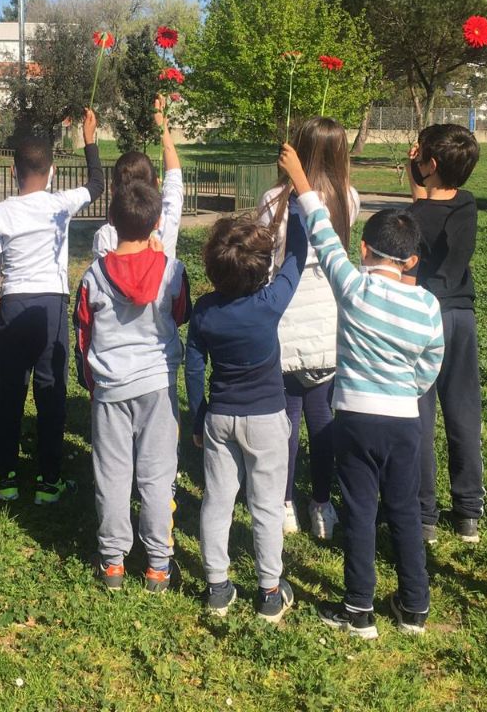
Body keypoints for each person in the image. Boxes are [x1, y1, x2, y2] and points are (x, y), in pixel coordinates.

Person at [279, 142, 445, 639]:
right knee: (405, 511)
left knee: (360, 511)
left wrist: (301, 180)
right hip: (405, 421)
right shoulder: (428, 306)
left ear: (365, 251)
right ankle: (414, 607)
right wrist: (405, 390)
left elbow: (323, 232)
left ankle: (359, 610)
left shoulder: (353, 288)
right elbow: (430, 364)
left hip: (354, 419)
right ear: (411, 259)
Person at [185, 206, 307, 622]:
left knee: (217, 502)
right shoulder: (269, 303)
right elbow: (298, 258)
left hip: (220, 418)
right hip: (267, 420)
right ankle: (270, 591)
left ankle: (217, 587)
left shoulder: (204, 311)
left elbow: (194, 366)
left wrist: (198, 415)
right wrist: (300, 205)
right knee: (267, 507)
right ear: (261, 270)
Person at [0, 109, 105, 505]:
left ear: (13, 171)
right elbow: (97, 184)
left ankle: (6, 477)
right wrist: (89, 140)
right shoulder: (60, 204)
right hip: (50, 307)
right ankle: (49, 481)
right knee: (51, 393)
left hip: (11, 308)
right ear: (52, 172)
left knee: (10, 393)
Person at [74, 181, 191, 593]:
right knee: (158, 476)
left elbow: (83, 334)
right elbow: (181, 314)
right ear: (157, 222)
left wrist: (93, 382)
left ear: (111, 221)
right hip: (157, 385)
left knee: (112, 474)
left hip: (109, 388)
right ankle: (158, 566)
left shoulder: (93, 276)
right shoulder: (172, 270)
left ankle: (112, 564)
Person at [258, 116, 360, 540]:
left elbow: (266, 259)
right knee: (322, 417)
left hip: (285, 320)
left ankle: (283, 504)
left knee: (287, 419)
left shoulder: (274, 200)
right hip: (327, 325)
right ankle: (321, 504)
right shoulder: (348, 198)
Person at [406, 123, 483, 543]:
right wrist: (419, 171)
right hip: (460, 318)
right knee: (463, 410)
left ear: (430, 164)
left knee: (419, 414)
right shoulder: (467, 205)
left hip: (422, 318)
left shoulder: (411, 219)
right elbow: (435, 208)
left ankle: (425, 516)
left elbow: (420, 218)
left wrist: (414, 175)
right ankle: (468, 512)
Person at [92, 95, 183, 259]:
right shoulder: (165, 222)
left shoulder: (105, 237)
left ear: (112, 190)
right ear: (157, 184)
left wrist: (89, 139)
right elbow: (174, 176)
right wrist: (162, 126)